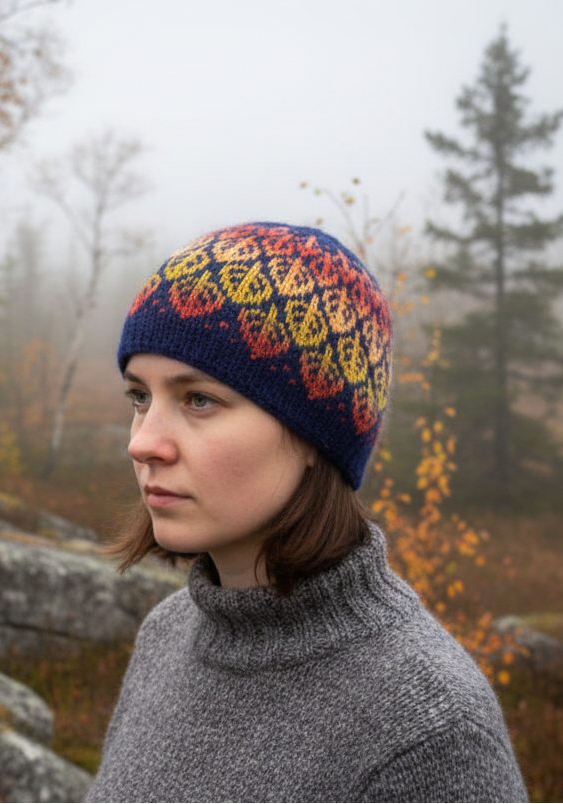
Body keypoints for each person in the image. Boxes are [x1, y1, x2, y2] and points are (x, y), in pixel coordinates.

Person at [85, 223, 527, 803]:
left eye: (199, 400)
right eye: (139, 397)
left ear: (318, 434)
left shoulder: (428, 732)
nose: (143, 443)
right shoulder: (168, 635)